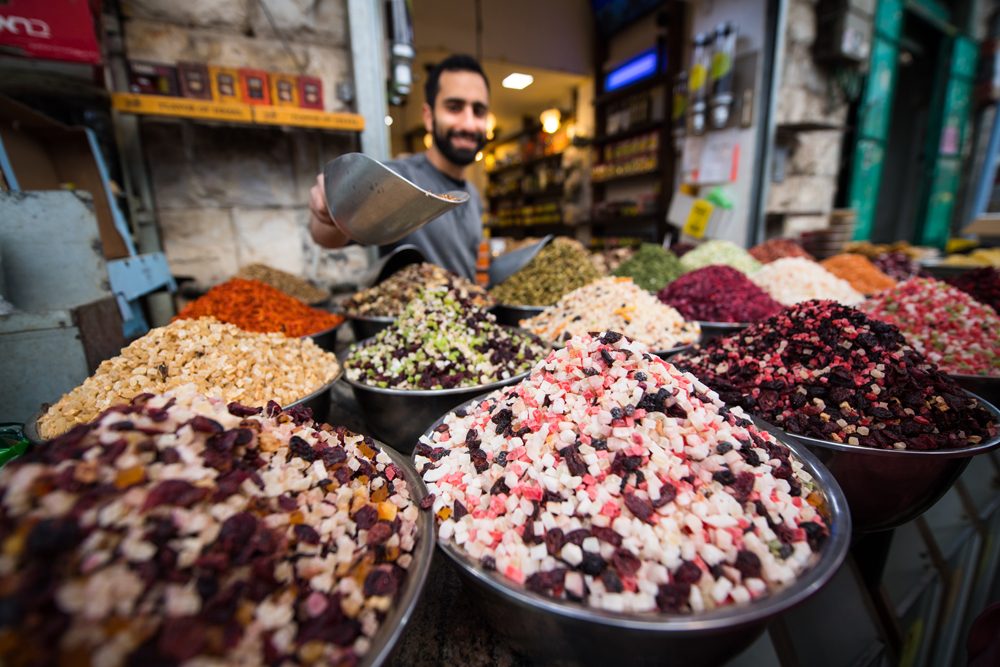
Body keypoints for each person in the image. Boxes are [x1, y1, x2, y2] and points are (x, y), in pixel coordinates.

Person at [309, 53, 489, 280]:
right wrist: (329, 211)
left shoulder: (471, 193)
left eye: (479, 111)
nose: (469, 123)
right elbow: (328, 236)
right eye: (454, 107)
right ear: (428, 116)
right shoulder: (397, 180)